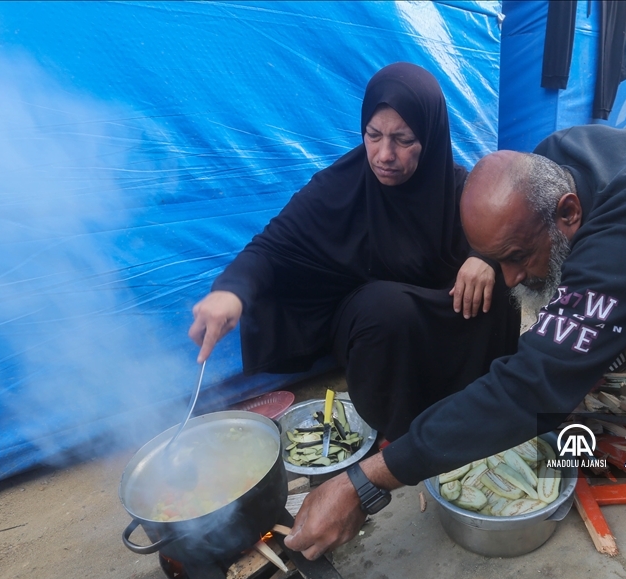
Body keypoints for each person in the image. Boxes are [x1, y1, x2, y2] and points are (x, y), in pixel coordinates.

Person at [282, 125, 626, 560]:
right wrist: (488, 255)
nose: (512, 279)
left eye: (517, 257)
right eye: (500, 260)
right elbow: (545, 276)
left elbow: (529, 387)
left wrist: (364, 483)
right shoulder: (550, 161)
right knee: (575, 317)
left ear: (569, 212)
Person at [188, 63, 520, 439]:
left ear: (431, 136)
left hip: (445, 309)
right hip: (380, 326)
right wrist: (229, 293)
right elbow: (271, 248)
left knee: (501, 281)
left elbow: (514, 228)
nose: (383, 154)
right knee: (386, 307)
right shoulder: (338, 188)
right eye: (373, 135)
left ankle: (487, 400)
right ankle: (402, 437)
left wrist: (485, 256)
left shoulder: (458, 188)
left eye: (403, 139)